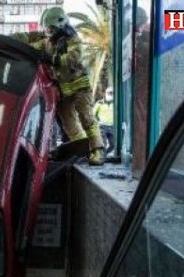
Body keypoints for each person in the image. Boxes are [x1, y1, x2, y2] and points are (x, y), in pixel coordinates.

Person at [13, 7, 106, 165]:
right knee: (69, 123)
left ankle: (98, 150)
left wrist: (52, 59)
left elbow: (73, 58)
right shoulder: (47, 41)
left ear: (60, 25)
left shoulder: (72, 39)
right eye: (47, 28)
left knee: (87, 118)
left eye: (52, 28)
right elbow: (28, 40)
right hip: (63, 91)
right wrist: (10, 39)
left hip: (79, 87)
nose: (49, 31)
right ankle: (82, 149)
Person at [94, 87, 114, 154]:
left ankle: (104, 154)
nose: (111, 94)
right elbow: (93, 113)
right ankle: (103, 156)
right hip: (102, 126)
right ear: (105, 93)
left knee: (113, 145)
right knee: (103, 144)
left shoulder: (115, 103)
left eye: (112, 93)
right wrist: (97, 122)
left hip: (112, 126)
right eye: (109, 93)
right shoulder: (100, 103)